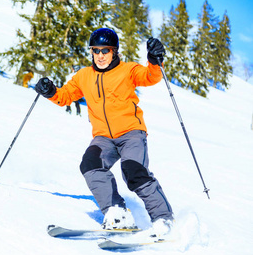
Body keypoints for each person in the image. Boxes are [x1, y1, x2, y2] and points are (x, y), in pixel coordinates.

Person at [34, 28, 174, 236]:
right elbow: (64, 97)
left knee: (134, 172)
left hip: (131, 133)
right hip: (103, 138)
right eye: (96, 50)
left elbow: (150, 77)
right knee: (90, 165)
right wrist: (50, 91)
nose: (100, 55)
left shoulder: (128, 70)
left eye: (105, 50)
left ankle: (164, 219)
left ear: (114, 51)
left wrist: (154, 60)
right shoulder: (84, 76)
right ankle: (117, 213)